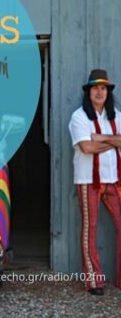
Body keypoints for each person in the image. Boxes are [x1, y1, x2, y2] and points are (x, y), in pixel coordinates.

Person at [69, 69, 121, 295]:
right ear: (88, 91)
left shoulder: (116, 115)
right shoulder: (79, 117)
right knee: (90, 228)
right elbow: (86, 147)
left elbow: (95, 143)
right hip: (88, 180)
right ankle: (94, 281)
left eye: (103, 88)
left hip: (115, 179)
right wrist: (115, 141)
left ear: (108, 92)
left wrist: (101, 138)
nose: (100, 92)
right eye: (95, 88)